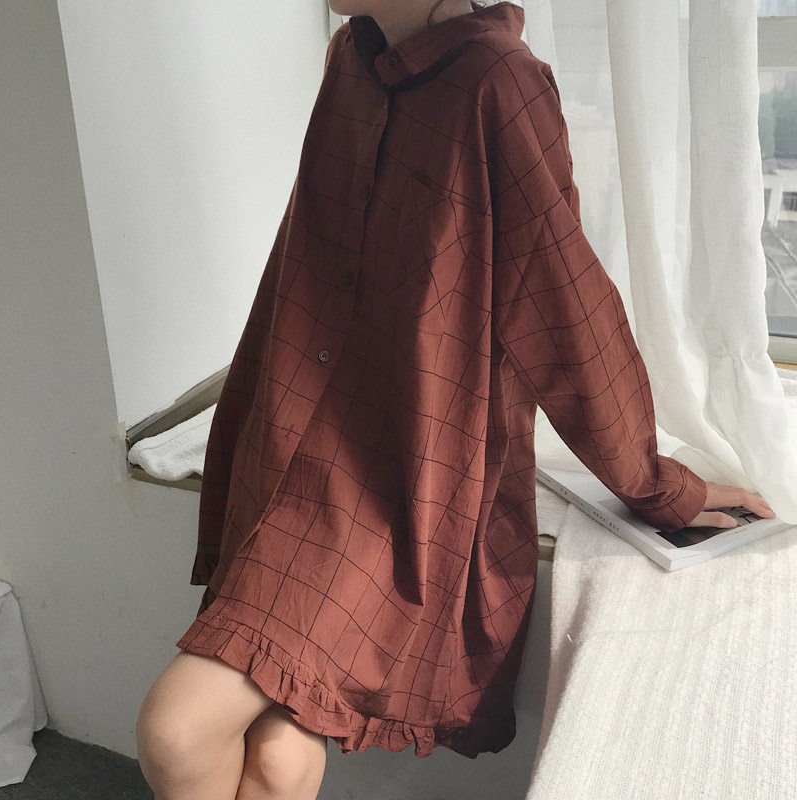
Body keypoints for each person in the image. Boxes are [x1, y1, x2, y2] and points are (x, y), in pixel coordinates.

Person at [135, 1, 776, 799]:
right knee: (276, 753)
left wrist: (655, 485)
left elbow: (565, 307)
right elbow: (306, 263)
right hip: (294, 443)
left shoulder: (499, 84)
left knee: (178, 727)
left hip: (396, 485)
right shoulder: (351, 57)